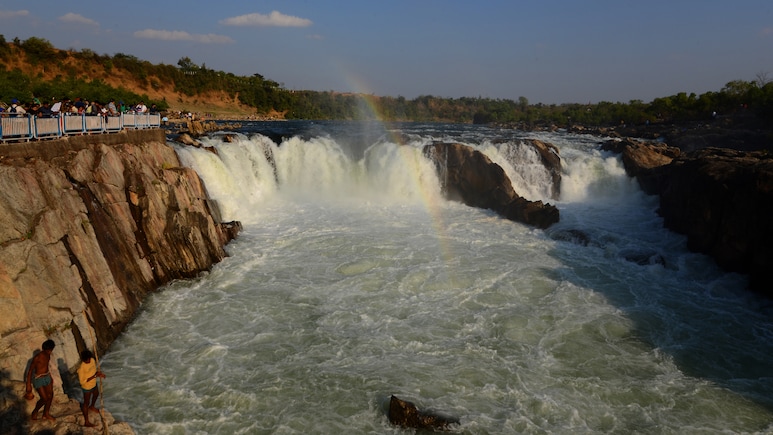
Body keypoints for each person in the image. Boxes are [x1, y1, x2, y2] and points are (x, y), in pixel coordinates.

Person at [24, 339, 56, 422]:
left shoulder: (48, 355)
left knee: (50, 395)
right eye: (49, 350)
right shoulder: (37, 357)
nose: (50, 352)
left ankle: (46, 414)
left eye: (51, 350)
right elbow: (30, 370)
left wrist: (50, 376)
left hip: (47, 376)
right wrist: (28, 384)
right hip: (38, 378)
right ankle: (35, 411)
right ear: (46, 349)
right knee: (44, 398)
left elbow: (46, 366)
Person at [77, 350, 105, 427]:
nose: (89, 360)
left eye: (89, 359)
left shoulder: (92, 360)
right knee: (86, 403)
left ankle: (92, 406)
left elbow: (94, 371)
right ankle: (86, 421)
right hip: (87, 387)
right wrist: (95, 376)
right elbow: (82, 382)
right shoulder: (81, 369)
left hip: (93, 384)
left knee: (96, 394)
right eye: (87, 360)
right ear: (83, 360)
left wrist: (99, 374)